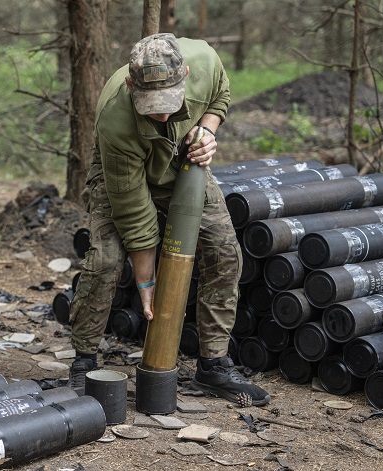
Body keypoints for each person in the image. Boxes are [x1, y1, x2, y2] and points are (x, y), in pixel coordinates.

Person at [66, 33, 270, 407]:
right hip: (122, 168)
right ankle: (83, 361)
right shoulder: (116, 119)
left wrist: (207, 128)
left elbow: (220, 97)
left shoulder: (205, 62)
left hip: (182, 161)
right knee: (106, 260)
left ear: (186, 75)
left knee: (225, 252)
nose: (162, 114)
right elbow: (133, 210)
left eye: (169, 103)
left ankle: (214, 365)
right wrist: (147, 282)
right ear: (131, 85)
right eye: (151, 105)